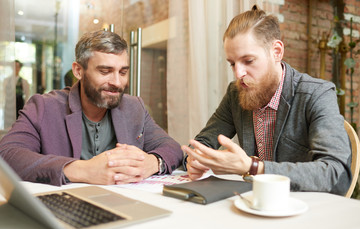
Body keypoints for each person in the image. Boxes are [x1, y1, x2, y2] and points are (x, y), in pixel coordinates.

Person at [182, 5, 352, 195]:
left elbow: (337, 175)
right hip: (255, 206)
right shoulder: (236, 93)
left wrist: (252, 166)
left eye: (248, 61)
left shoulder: (317, 94)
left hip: (305, 210)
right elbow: (203, 141)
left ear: (277, 51)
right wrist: (196, 159)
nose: (238, 73)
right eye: (232, 63)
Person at [0, 30, 183, 186]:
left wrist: (151, 163)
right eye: (105, 72)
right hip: (64, 211)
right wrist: (83, 170)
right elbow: (7, 155)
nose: (117, 83)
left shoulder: (134, 107)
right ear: (78, 71)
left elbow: (172, 148)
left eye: (123, 72)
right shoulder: (43, 107)